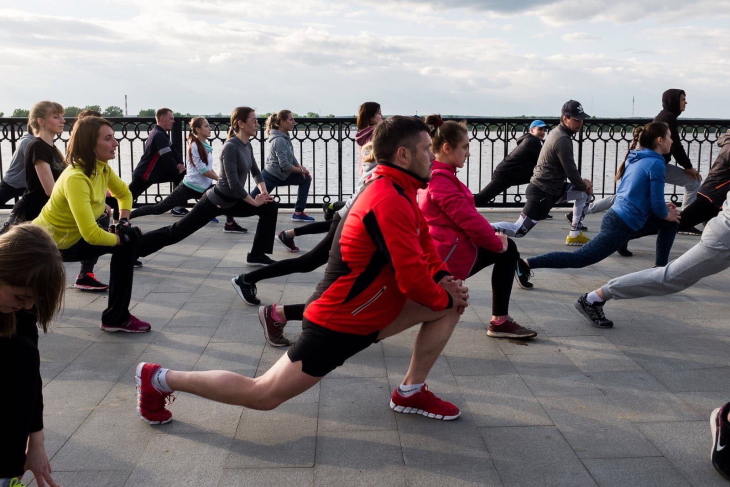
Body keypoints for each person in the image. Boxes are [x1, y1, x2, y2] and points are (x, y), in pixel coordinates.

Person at [134, 116, 469, 425]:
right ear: (403, 155)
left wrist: (443, 281)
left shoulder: (401, 189)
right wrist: (443, 295)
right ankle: (158, 378)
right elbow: (411, 279)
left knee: (451, 303)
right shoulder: (387, 199)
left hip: (371, 311)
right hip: (340, 320)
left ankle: (409, 392)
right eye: (427, 149)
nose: (432, 156)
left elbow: (425, 246)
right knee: (263, 394)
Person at [235, 142, 380, 346]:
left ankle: (257, 285)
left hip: (352, 219)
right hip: (350, 220)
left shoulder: (388, 161)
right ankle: (256, 288)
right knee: (309, 262)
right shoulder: (384, 164)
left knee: (310, 263)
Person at [516, 122, 680, 283]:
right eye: (669, 137)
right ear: (660, 140)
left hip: (622, 217)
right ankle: (526, 263)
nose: (671, 141)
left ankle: (660, 271)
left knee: (671, 222)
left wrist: (663, 211)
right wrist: (664, 212)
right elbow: (657, 206)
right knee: (580, 258)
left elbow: (637, 193)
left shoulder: (638, 156)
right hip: (621, 223)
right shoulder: (656, 163)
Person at [420, 114, 537, 337]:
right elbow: (469, 221)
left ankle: (500, 321)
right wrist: (496, 243)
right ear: (446, 148)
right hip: (444, 257)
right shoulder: (440, 181)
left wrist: (495, 239)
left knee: (507, 248)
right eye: (465, 147)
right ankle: (499, 322)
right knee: (507, 250)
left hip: (443, 249)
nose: (468, 152)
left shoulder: (434, 174)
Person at [33, 116, 151, 333]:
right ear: (90, 144)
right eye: (108, 139)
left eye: (114, 137)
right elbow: (91, 235)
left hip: (74, 239)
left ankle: (116, 318)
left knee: (127, 243)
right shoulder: (76, 178)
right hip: (49, 244)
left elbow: (124, 193)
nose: (115, 143)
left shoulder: (101, 168)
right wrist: (122, 237)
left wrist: (123, 222)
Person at [135, 107, 279, 266]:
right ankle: (134, 249)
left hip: (233, 202)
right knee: (177, 231)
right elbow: (233, 183)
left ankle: (257, 255)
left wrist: (264, 193)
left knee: (269, 207)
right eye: (254, 121)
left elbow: (256, 171)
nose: (257, 124)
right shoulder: (231, 147)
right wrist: (253, 202)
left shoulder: (247, 145)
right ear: (241, 123)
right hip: (215, 201)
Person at [571, 88, 703, 250]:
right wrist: (688, 167)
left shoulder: (665, 116)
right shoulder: (668, 118)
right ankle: (684, 221)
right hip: (653, 165)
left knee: (622, 196)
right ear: (673, 101)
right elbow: (676, 146)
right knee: (693, 181)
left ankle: (581, 212)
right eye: (683, 99)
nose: (685, 102)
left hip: (648, 163)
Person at [1, 102, 109, 292]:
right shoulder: (36, 146)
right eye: (56, 116)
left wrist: (98, 202)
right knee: (6, 257)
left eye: (61, 116)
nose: (63, 120)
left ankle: (85, 275)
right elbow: (51, 190)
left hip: (44, 217)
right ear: (41, 121)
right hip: (28, 215)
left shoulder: (53, 149)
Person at [0, 225, 66, 487]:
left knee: (22, 354)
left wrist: (36, 441)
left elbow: (30, 373)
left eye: (33, 301)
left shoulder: (21, 307)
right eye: (21, 297)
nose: (26, 306)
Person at [492, 100, 594, 248]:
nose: (580, 123)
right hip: (542, 192)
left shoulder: (558, 132)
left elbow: (571, 172)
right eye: (576, 119)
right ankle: (479, 228)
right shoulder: (562, 139)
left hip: (554, 190)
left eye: (582, 119)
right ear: (565, 119)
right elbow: (571, 171)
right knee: (519, 230)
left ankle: (574, 235)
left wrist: (583, 186)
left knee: (584, 194)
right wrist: (584, 183)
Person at [130, 117, 220, 219]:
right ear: (198, 130)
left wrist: (219, 179)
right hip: (190, 187)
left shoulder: (205, 147)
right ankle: (128, 216)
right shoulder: (194, 146)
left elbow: (208, 167)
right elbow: (203, 170)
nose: (210, 128)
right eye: (206, 126)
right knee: (159, 209)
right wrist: (219, 179)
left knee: (227, 197)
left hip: (203, 187)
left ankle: (228, 223)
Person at [250, 110, 314, 222]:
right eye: (291, 119)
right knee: (250, 203)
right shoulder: (279, 140)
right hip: (270, 176)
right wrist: (300, 170)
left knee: (305, 179)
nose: (294, 122)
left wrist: (301, 169)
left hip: (282, 175)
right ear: (282, 122)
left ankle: (298, 213)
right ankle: (228, 217)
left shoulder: (285, 137)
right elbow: (285, 165)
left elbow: (291, 156)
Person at [127, 108, 189, 217]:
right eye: (171, 118)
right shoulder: (159, 135)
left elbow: (173, 150)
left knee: (182, 175)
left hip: (152, 173)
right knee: (126, 198)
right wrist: (176, 170)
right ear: (162, 119)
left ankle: (178, 207)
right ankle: (108, 212)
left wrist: (180, 164)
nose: (173, 121)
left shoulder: (160, 133)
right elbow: (167, 157)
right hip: (146, 174)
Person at [474, 120, 547, 206]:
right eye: (540, 129)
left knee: (540, 179)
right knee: (480, 199)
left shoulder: (530, 140)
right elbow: (545, 159)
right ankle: (458, 206)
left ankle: (536, 209)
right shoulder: (532, 142)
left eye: (544, 130)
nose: (543, 132)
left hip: (510, 175)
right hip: (504, 175)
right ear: (531, 130)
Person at [0, 131, 34, 207]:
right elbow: (34, 164)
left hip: (25, 184)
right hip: (12, 183)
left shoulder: (41, 142)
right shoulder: (28, 142)